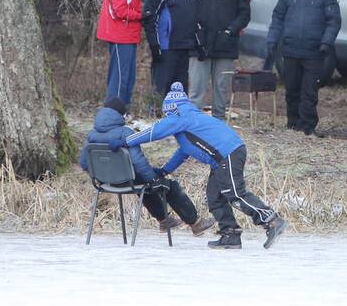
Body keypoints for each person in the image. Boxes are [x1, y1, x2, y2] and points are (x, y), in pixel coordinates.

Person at [123, 83, 288, 250]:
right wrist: (165, 170)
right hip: (223, 158)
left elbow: (154, 131)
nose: (166, 117)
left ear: (171, 109)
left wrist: (126, 141)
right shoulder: (189, 123)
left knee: (236, 193)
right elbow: (184, 151)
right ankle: (230, 234)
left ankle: (272, 220)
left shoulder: (181, 116)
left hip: (229, 153)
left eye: (167, 113)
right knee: (214, 197)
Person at [79, 96, 215, 236]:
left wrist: (105, 174)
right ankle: (196, 223)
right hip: (128, 180)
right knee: (166, 185)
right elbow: (138, 161)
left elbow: (84, 163)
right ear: (120, 115)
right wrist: (152, 178)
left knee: (145, 185)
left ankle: (164, 220)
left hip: (104, 182)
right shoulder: (125, 133)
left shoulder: (92, 135)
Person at [264, 0, 340, 136]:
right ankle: (293, 124)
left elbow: (333, 21)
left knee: (309, 91)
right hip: (290, 50)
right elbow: (277, 18)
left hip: (314, 52)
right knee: (291, 89)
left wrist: (326, 42)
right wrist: (272, 38)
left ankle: (307, 126)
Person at [191, 0, 250, 120]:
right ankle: (193, 122)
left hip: (226, 44)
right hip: (200, 45)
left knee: (222, 86)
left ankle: (218, 120)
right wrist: (196, 30)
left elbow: (244, 14)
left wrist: (231, 30)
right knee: (197, 86)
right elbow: (189, 10)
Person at [142, 0, 202, 99]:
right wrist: (154, 44)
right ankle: (157, 113)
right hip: (166, 46)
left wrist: (199, 42)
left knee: (180, 85)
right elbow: (150, 19)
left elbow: (194, 17)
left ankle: (179, 114)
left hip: (185, 45)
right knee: (163, 84)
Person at [95, 0, 143, 106]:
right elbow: (119, 11)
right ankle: (112, 113)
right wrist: (141, 15)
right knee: (120, 77)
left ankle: (122, 111)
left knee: (128, 76)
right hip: (120, 35)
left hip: (127, 34)